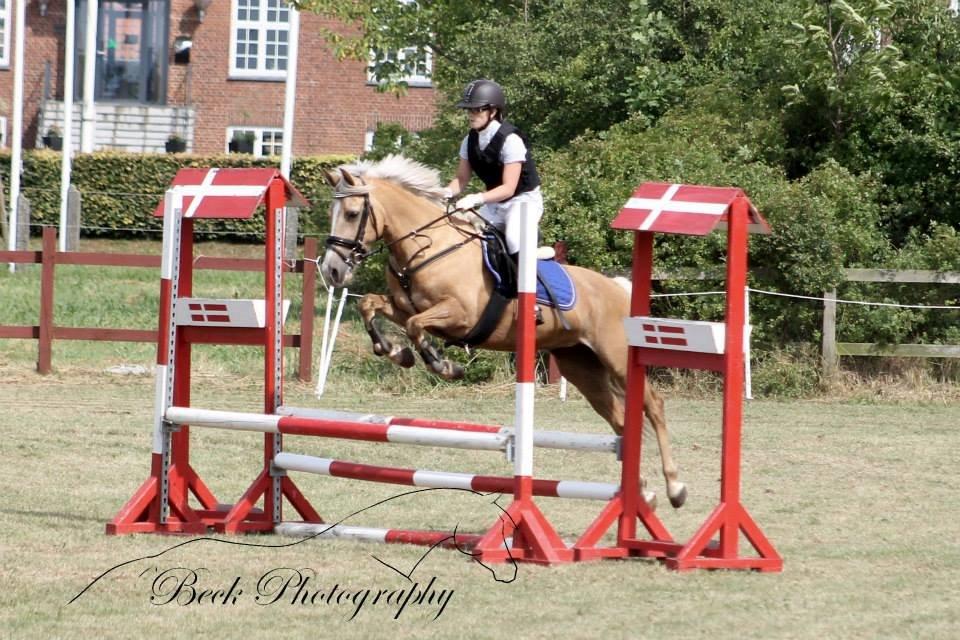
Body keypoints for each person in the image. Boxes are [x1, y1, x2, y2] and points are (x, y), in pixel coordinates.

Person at [445, 79, 552, 265]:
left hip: (523, 201)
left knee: (513, 239)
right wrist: (443, 193)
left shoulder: (511, 140)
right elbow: (461, 180)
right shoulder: (469, 141)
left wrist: (476, 198)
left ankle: (538, 266)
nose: (471, 115)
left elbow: (509, 188)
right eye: (468, 110)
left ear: (493, 111)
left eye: (476, 110)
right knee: (462, 233)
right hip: (495, 204)